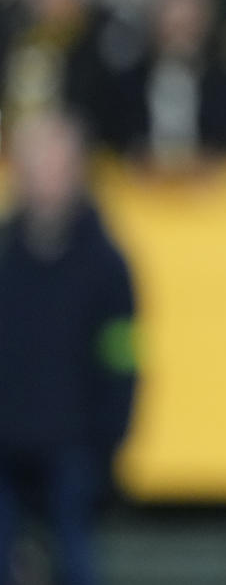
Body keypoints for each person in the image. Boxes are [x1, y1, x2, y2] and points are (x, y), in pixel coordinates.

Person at [0, 110, 137, 585]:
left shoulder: (105, 265)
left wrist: (109, 439)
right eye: (34, 164)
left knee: (75, 561)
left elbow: (124, 360)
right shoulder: (5, 254)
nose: (45, 178)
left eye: (55, 164)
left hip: (74, 447)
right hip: (6, 444)